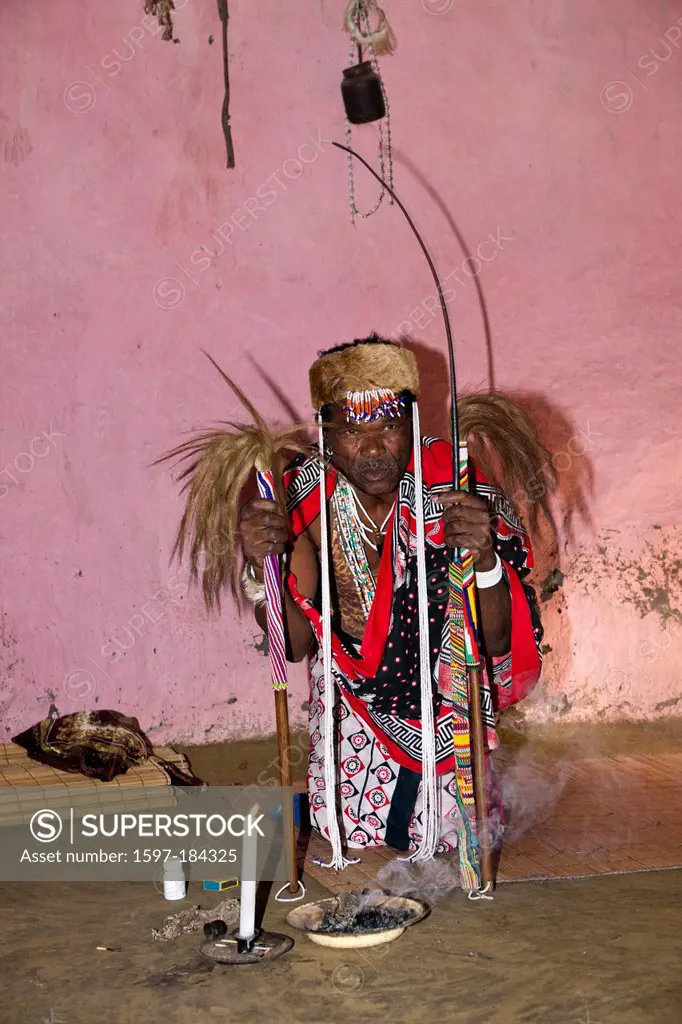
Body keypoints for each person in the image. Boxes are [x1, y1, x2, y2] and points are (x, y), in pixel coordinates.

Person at [236, 335, 547, 869]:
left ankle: (469, 788)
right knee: (345, 831)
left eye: (387, 425)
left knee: (450, 836)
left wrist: (485, 557)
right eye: (353, 430)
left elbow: (498, 640)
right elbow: (295, 643)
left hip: (446, 695)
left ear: (413, 421)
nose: (374, 447)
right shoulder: (303, 499)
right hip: (349, 701)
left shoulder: (457, 486)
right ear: (325, 434)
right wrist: (264, 567)